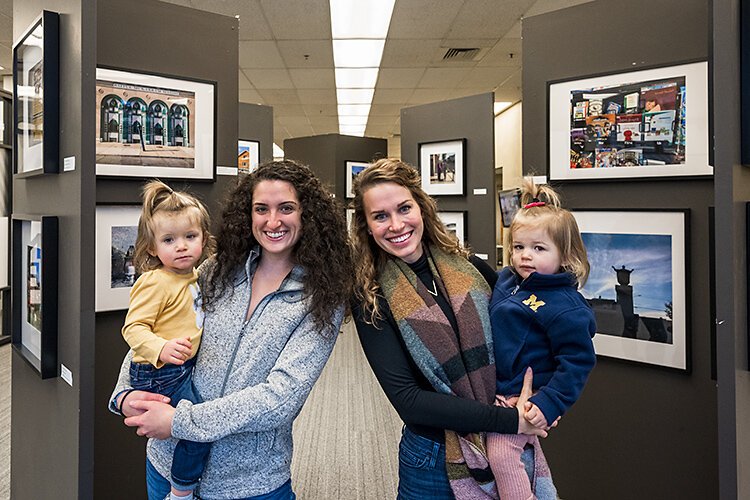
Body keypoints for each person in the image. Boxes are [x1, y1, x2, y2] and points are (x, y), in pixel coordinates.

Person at [109, 160, 353, 500]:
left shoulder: (321, 297)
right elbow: (156, 331)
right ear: (247, 214)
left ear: (307, 213)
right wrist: (123, 395)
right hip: (165, 466)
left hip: (250, 484)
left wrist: (181, 421)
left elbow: (281, 397)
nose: (273, 221)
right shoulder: (216, 269)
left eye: (286, 208)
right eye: (261, 209)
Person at [349, 158, 549, 500]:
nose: (396, 225)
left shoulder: (470, 268)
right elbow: (409, 401)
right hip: (433, 458)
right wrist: (511, 420)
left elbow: (530, 332)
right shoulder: (371, 296)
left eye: (403, 209)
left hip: (508, 445)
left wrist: (546, 402)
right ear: (367, 226)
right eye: (380, 216)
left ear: (421, 209)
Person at [486, 179, 596, 500]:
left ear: (565, 254)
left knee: (503, 455)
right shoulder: (509, 280)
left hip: (522, 400)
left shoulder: (566, 306)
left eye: (538, 248)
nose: (525, 256)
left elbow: (577, 363)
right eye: (518, 247)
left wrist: (547, 404)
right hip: (495, 391)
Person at [121, 180, 215, 500]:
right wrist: (161, 347)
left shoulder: (194, 276)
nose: (182, 246)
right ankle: (180, 490)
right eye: (169, 240)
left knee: (196, 422)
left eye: (190, 237)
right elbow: (133, 329)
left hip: (180, 367)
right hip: (160, 372)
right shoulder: (155, 282)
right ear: (152, 248)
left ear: (204, 239)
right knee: (199, 426)